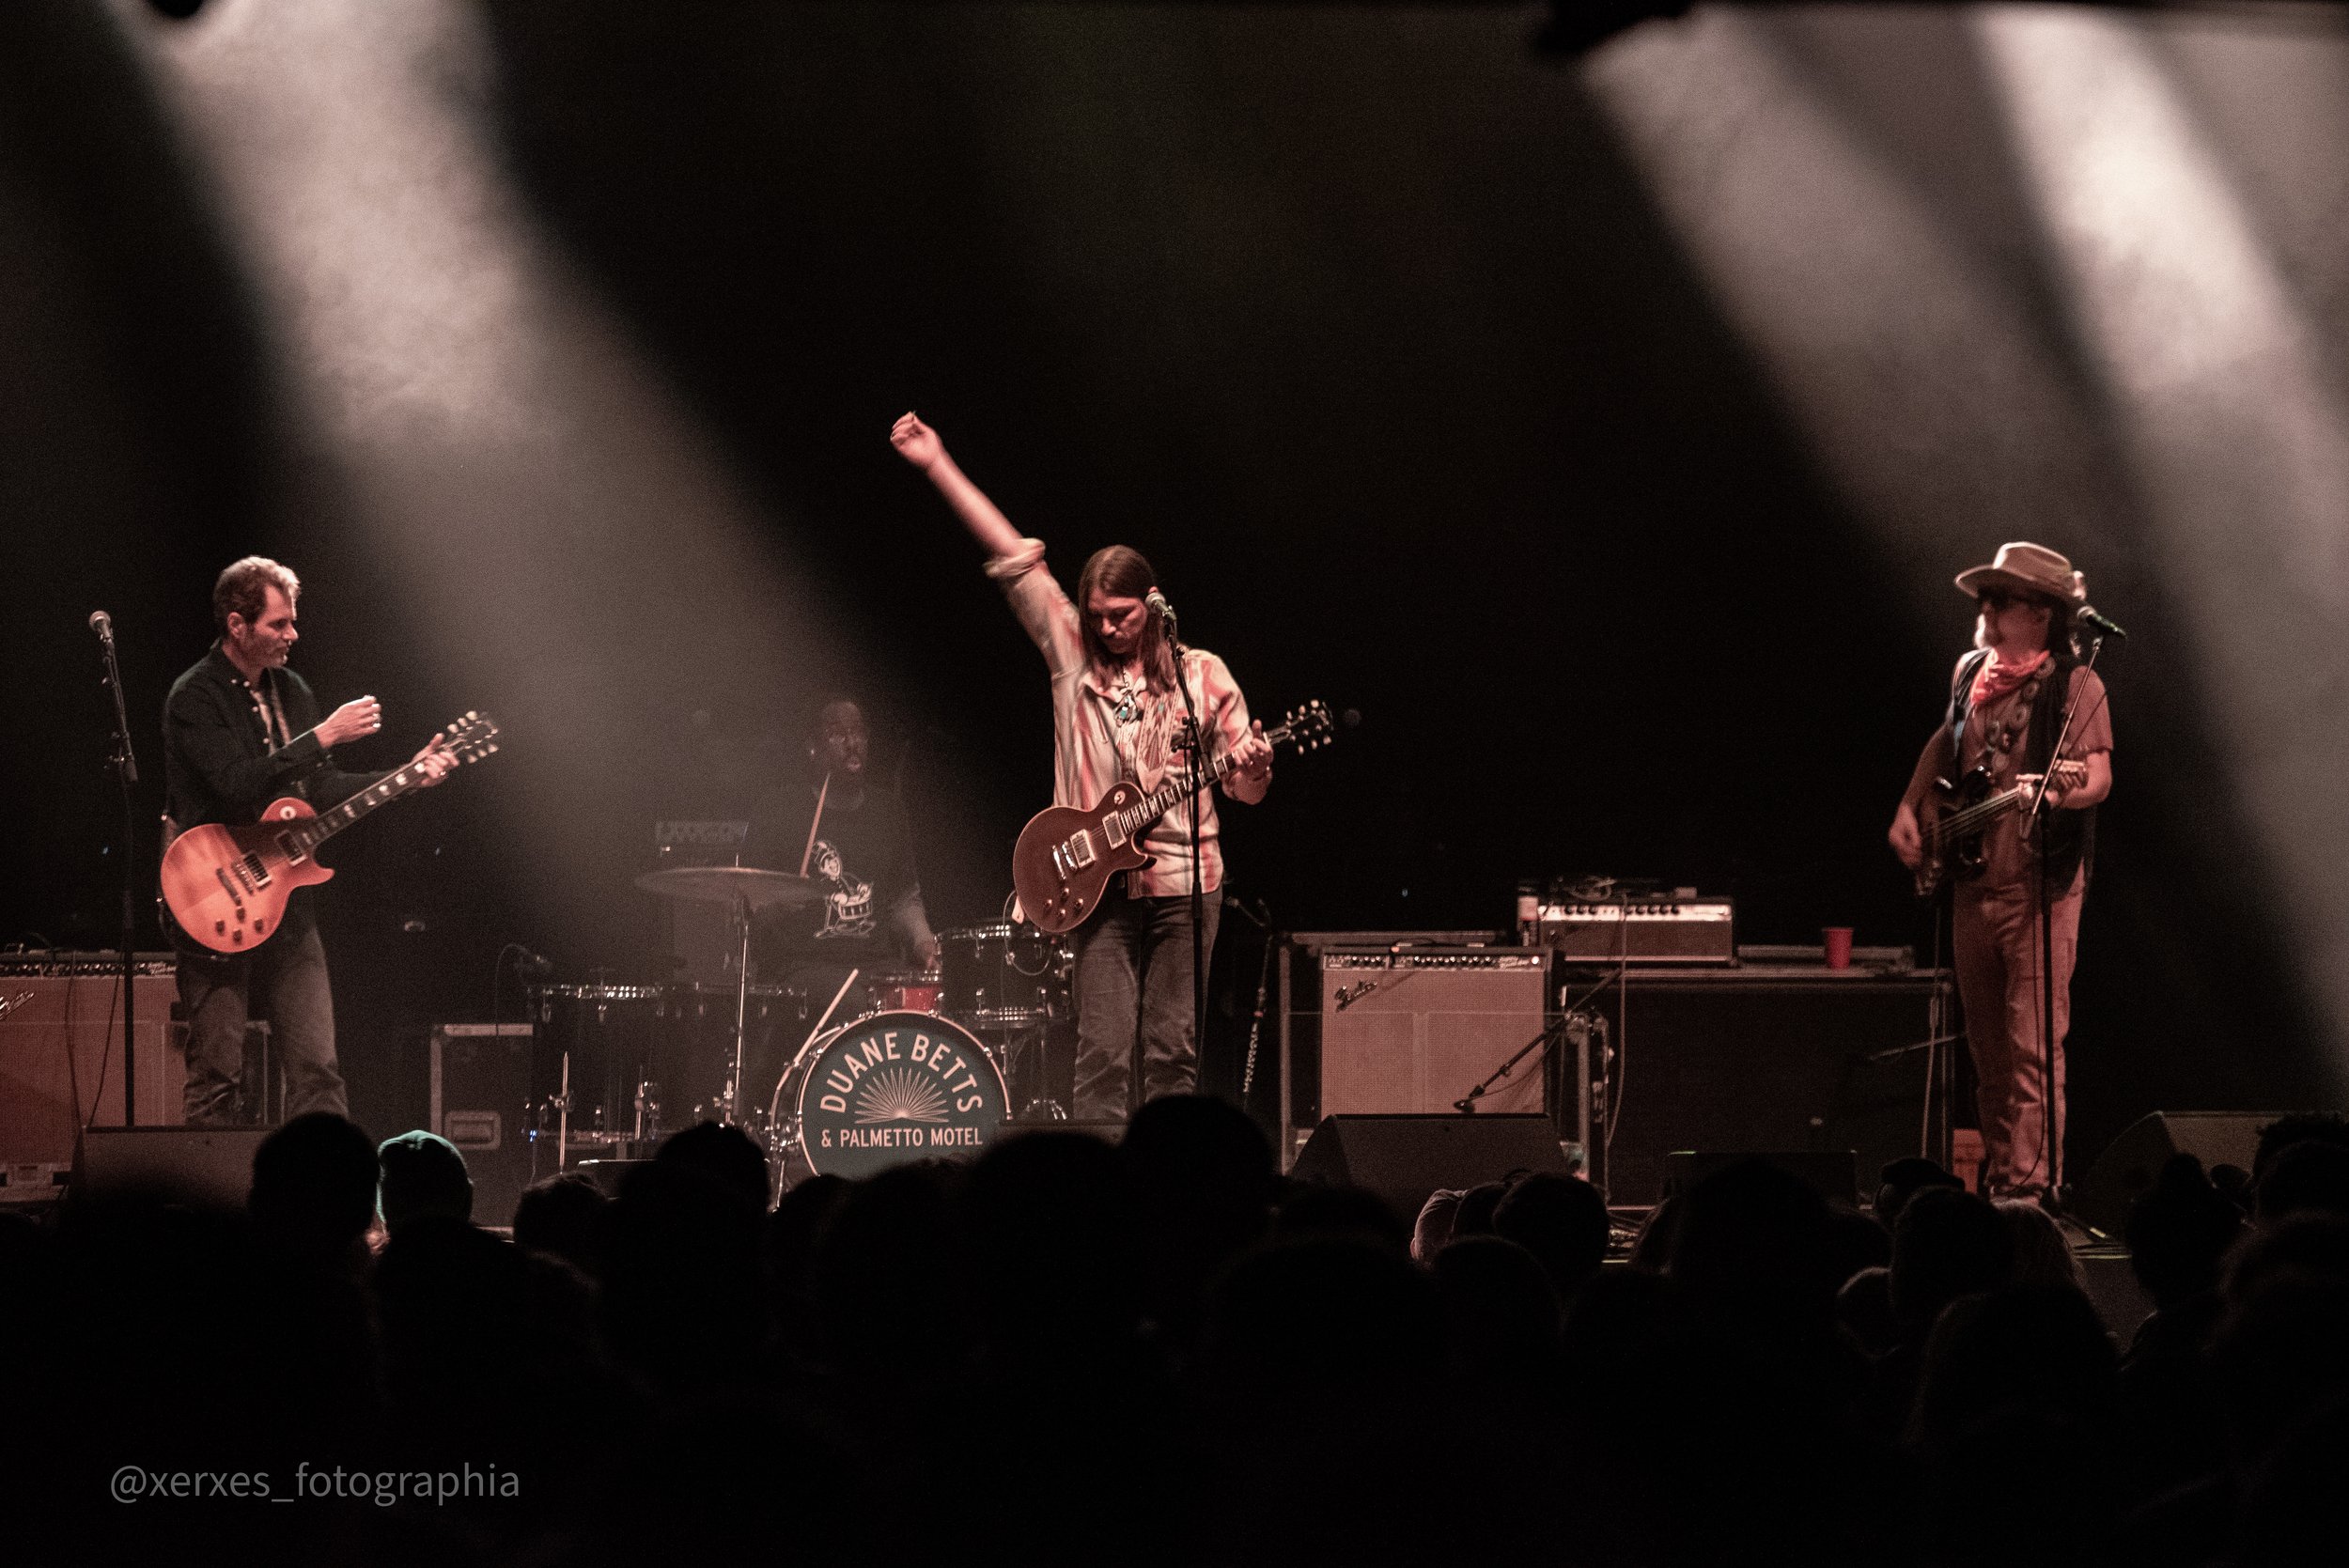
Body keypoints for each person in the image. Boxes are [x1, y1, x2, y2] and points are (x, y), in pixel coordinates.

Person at [890, 412, 1273, 1120]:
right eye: (1096, 613)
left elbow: (1245, 791)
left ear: (1153, 608)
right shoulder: (1070, 652)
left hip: (1189, 885)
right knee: (1101, 1049)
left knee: (1172, 1049)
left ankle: (1163, 1180)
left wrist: (1252, 762)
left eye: (1121, 614)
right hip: (1098, 886)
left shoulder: (1204, 675)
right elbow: (1012, 556)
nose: (1106, 628)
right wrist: (936, 460)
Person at [163, 556, 451, 1125]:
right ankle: (208, 1211)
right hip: (214, 897)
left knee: (318, 1069)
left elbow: (314, 790)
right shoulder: (194, 697)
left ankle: (326, 1203)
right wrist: (323, 735)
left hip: (289, 905)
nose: (292, 635)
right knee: (219, 1075)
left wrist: (403, 778)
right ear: (237, 625)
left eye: (292, 622)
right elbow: (235, 785)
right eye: (278, 624)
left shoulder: (290, 690)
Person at [1890, 542, 2113, 1202]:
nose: (1984, 609)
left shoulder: (2078, 684)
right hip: (1972, 884)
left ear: (2041, 612)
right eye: (1985, 596)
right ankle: (1999, 1188)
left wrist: (2061, 791)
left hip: (2039, 889)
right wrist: (1910, 804)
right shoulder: (1970, 671)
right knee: (1988, 1057)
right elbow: (1946, 735)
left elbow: (2098, 775)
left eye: (2000, 598)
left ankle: (2030, 1193)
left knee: (2032, 1052)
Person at [747, 697, 938, 1005]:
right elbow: (753, 902)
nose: (852, 743)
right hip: (803, 967)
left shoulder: (888, 811)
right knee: (856, 1001)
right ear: (814, 747)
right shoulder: (778, 810)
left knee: (929, 998)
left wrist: (925, 944)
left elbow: (904, 901)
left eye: (859, 733)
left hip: (876, 967)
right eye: (838, 733)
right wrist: (782, 904)